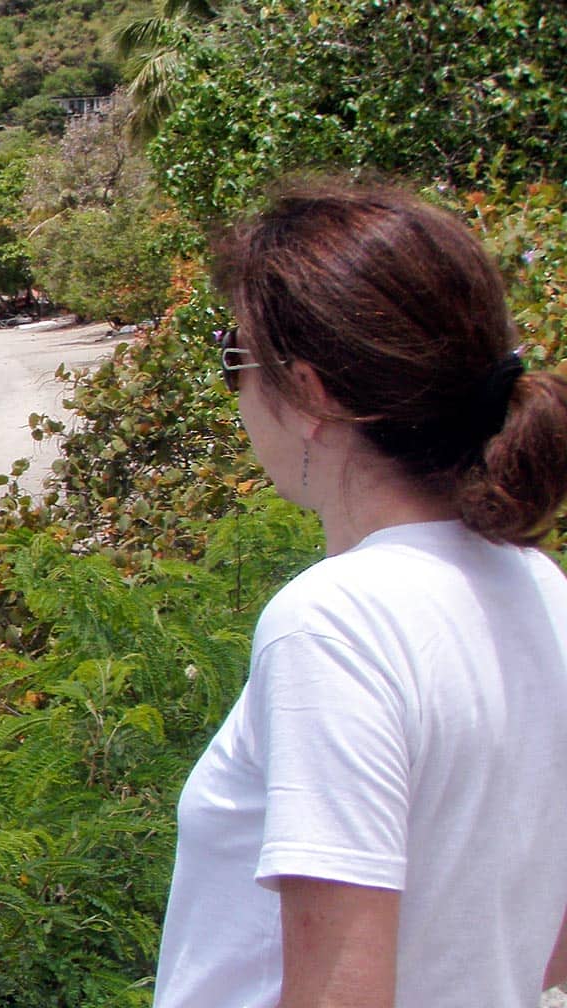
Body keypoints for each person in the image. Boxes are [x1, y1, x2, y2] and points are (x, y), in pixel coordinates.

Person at [153, 180, 567, 1008]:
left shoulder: (336, 624)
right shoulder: (538, 587)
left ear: (311, 393)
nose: (234, 392)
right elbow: (545, 948)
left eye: (235, 358)